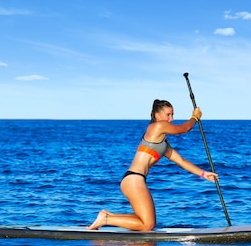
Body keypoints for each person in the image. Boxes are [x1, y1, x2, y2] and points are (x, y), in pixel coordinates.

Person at [87, 99, 219, 231]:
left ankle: (108, 216)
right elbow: (184, 128)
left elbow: (181, 161)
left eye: (172, 115)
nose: (171, 119)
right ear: (157, 115)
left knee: (146, 222)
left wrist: (203, 173)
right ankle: (105, 220)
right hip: (134, 179)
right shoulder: (157, 127)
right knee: (147, 225)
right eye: (168, 115)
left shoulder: (162, 143)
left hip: (134, 179)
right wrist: (195, 117)